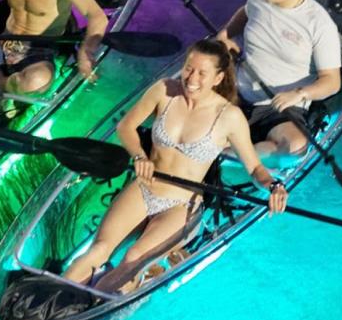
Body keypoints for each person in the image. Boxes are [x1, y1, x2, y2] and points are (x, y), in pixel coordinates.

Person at [63, 40, 288, 290]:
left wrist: (274, 185)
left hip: (181, 204)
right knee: (100, 248)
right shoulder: (163, 91)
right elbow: (125, 126)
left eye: (203, 73)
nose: (192, 78)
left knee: (133, 258)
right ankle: (54, 297)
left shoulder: (230, 117)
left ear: (218, 78)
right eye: (189, 68)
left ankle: (96, 301)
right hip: (145, 188)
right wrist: (139, 156)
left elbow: (255, 168)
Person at [215, 0, 342, 158]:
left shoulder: (319, 25)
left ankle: (223, 155)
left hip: (277, 105)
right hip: (236, 87)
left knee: (293, 146)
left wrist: (299, 94)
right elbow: (246, 12)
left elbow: (332, 81)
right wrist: (226, 34)